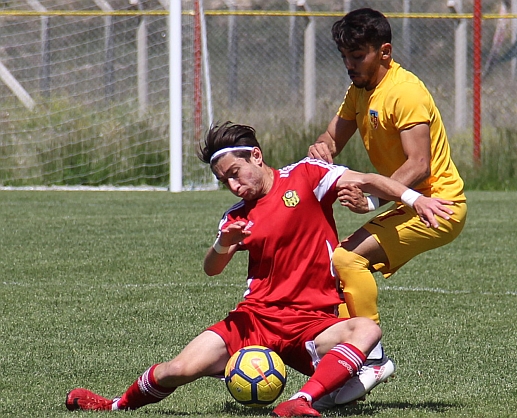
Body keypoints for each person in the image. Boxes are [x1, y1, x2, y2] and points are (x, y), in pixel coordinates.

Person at [65, 122, 456, 417]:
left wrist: (413, 198)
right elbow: (211, 268)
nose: (233, 185)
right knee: (179, 368)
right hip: (255, 321)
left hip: (312, 321)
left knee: (367, 328)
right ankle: (114, 405)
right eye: (224, 181)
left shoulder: (306, 176)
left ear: (256, 155)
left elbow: (368, 179)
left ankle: (300, 402)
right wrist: (224, 243)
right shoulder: (237, 216)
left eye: (235, 173)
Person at [308, 7, 468, 405]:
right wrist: (320, 152)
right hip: (407, 204)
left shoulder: (405, 91)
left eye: (357, 57)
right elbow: (332, 138)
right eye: (344, 57)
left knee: (346, 260)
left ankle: (370, 359)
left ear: (384, 52)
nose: (349, 65)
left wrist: (373, 198)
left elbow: (419, 164)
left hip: (438, 205)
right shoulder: (359, 90)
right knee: (336, 265)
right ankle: (345, 369)